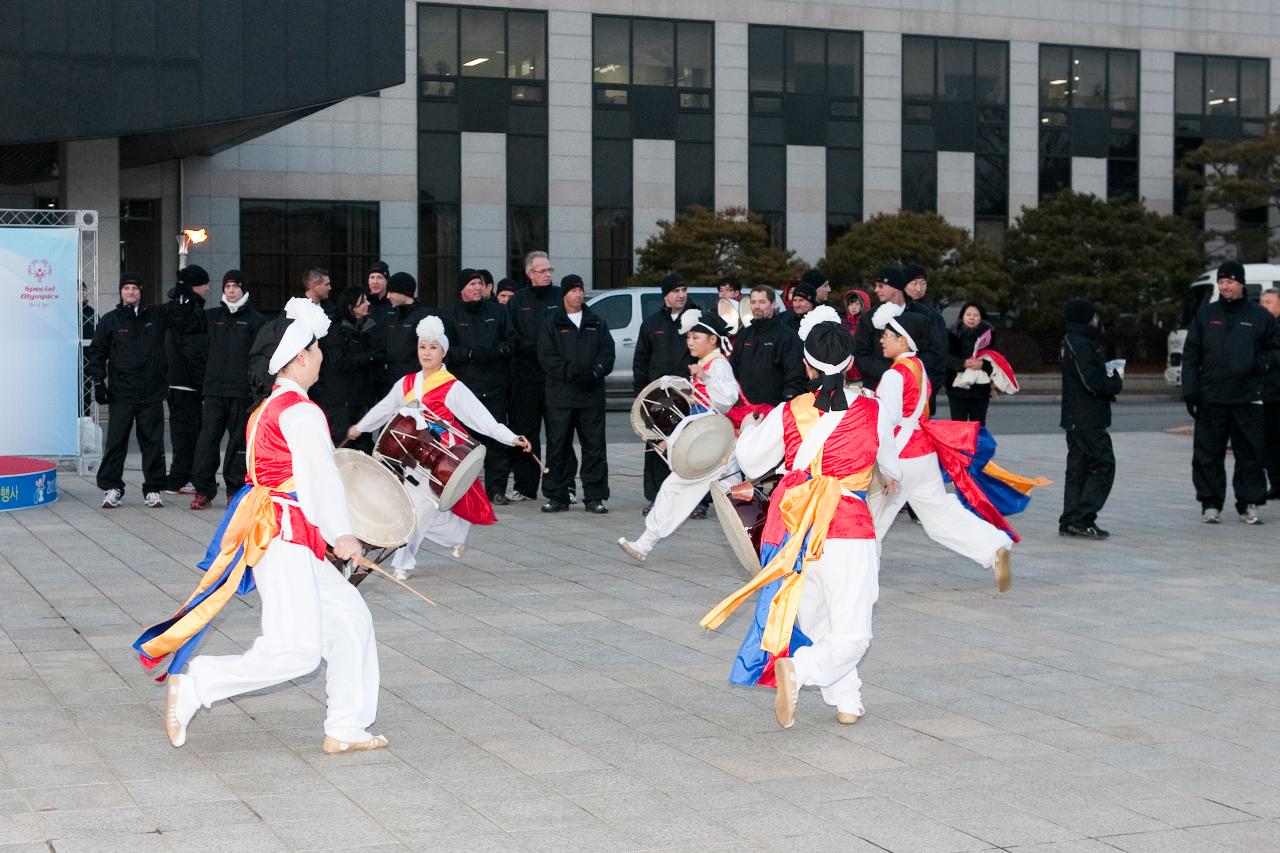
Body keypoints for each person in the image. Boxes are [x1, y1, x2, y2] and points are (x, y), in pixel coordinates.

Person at [135, 298, 386, 755]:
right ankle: (197, 685)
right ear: (300, 357)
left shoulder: (267, 409)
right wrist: (343, 535)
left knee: (350, 618)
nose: (322, 357)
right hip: (285, 536)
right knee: (296, 651)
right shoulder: (302, 412)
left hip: (281, 533)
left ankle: (347, 725)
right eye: (317, 349)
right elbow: (319, 481)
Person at [700, 311, 902, 728]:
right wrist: (889, 478)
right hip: (847, 529)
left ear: (806, 365)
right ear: (850, 365)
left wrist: (754, 426)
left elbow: (752, 461)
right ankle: (802, 671)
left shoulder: (789, 411)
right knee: (852, 630)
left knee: (819, 619)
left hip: (797, 530)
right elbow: (891, 464)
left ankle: (848, 700)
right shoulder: (874, 409)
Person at [347, 316, 532, 579]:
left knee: (418, 509)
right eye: (423, 347)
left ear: (443, 351)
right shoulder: (407, 383)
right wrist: (361, 427)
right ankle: (457, 532)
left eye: (433, 347)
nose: (427, 352)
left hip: (441, 460)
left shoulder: (452, 386)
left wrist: (511, 437)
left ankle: (402, 564)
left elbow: (482, 419)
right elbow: (385, 407)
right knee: (418, 508)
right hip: (410, 457)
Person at [867, 303, 1016, 592]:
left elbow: (886, 420)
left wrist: (885, 467)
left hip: (900, 457)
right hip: (924, 454)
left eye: (888, 334)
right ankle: (994, 546)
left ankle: (859, 579)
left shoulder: (894, 375)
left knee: (872, 521)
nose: (882, 339)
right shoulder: (918, 366)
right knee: (939, 516)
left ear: (903, 340)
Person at [618, 310, 739, 560]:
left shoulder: (717, 365)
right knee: (725, 501)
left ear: (713, 340)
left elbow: (728, 400)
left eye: (696, 337)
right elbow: (697, 412)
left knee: (678, 490)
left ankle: (645, 543)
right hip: (711, 446)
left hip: (719, 447)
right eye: (689, 338)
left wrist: (707, 379)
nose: (690, 342)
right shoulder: (704, 366)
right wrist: (670, 439)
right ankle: (644, 543)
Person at [1182, 260, 1280, 524]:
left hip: (1247, 397)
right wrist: (1190, 390)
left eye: (1230, 282)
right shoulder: (1206, 315)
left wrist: (1260, 364)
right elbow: (1191, 354)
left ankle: (1249, 503)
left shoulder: (1259, 316)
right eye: (1221, 282)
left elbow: (1275, 349)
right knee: (1207, 454)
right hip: (1211, 396)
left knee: (1250, 454)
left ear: (1241, 283)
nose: (1225, 287)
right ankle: (1210, 504)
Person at [89, 273, 197, 509]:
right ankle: (112, 487)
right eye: (126, 288)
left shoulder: (155, 315)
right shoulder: (110, 320)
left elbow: (181, 315)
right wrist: (99, 382)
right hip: (122, 393)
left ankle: (153, 489)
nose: (130, 292)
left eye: (135, 289)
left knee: (152, 442)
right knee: (116, 441)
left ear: (140, 292)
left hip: (151, 393)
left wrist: (184, 292)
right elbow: (97, 352)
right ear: (121, 292)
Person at [537, 274, 615, 513]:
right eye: (573, 290)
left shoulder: (596, 322)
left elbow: (607, 354)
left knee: (594, 447)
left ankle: (595, 496)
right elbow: (547, 358)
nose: (578, 294)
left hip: (590, 396)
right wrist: (573, 373)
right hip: (560, 397)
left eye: (580, 290)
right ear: (565, 295)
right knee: (558, 447)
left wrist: (592, 373)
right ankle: (557, 495)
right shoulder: (552, 322)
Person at [189, 271, 266, 510]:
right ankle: (203, 490)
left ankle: (234, 490)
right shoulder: (211, 316)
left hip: (241, 393)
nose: (231, 291)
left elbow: (260, 357)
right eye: (227, 287)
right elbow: (195, 344)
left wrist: (256, 388)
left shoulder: (255, 320)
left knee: (237, 444)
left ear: (243, 289)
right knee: (207, 441)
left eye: (235, 286)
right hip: (213, 391)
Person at [443, 269, 517, 504]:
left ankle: (497, 490)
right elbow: (447, 350)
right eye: (472, 284)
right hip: (465, 390)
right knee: (465, 444)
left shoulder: (498, 312)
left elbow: (512, 341)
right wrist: (470, 354)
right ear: (462, 289)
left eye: (480, 284)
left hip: (495, 386)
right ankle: (465, 492)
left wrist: (495, 352)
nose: (477, 287)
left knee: (496, 439)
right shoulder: (451, 315)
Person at [1058, 298, 1123, 539]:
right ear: (1087, 318)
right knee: (1104, 464)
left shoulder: (1069, 342)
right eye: (1094, 316)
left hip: (1075, 416)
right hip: (1087, 417)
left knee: (1078, 468)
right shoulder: (1081, 343)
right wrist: (1114, 384)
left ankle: (1070, 519)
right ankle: (1083, 517)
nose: (1097, 320)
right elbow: (1090, 381)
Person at [633, 273, 692, 512]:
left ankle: (693, 501)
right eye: (676, 291)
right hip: (657, 396)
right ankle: (656, 496)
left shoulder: (693, 321)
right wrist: (641, 396)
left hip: (687, 396)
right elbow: (641, 361)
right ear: (665, 295)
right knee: (657, 446)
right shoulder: (652, 324)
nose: (681, 295)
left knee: (688, 448)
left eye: (684, 290)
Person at [506, 251, 561, 501]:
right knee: (526, 433)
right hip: (526, 377)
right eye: (542, 271)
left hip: (554, 378)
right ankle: (525, 486)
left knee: (558, 433)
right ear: (530, 274)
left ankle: (561, 485)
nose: (547, 275)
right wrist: (537, 349)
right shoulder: (518, 301)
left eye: (550, 270)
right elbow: (513, 336)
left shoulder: (561, 297)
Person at [852, 267, 945, 393]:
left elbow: (935, 351)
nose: (876, 290)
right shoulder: (870, 318)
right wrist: (891, 372)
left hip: (915, 389)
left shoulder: (925, 315)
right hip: (878, 388)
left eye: (881, 286)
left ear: (895, 287)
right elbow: (860, 354)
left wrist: (909, 370)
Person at [164, 265, 210, 495]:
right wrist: (201, 381)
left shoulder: (179, 308)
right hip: (187, 382)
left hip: (178, 380)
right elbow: (194, 350)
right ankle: (181, 477)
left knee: (185, 431)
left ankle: (183, 475)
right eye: (204, 284)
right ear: (196, 286)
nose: (208, 288)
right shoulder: (190, 311)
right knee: (187, 432)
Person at [314, 286, 379, 447]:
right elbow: (339, 362)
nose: (367, 304)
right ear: (350, 307)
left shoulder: (368, 328)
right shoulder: (335, 331)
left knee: (364, 446)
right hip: (340, 404)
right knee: (343, 447)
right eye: (362, 301)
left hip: (361, 401)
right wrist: (369, 357)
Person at [730, 285, 807, 405]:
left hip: (774, 408)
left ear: (772, 304)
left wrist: (787, 400)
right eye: (753, 302)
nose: (756, 306)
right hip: (745, 407)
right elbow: (733, 368)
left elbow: (795, 373)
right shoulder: (744, 334)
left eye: (762, 302)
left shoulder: (786, 335)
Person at [901, 263, 949, 411]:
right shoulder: (891, 311)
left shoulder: (933, 315)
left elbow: (941, 351)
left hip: (925, 382)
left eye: (923, 284)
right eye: (914, 283)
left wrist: (933, 382)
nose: (918, 289)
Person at [946, 302, 997, 425]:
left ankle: (977, 445)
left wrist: (982, 365)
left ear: (981, 317)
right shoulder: (952, 333)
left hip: (981, 389)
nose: (971, 318)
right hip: (957, 387)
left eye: (976, 315)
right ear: (962, 316)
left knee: (979, 425)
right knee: (958, 426)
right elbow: (945, 358)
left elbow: (996, 359)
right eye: (968, 314)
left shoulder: (989, 335)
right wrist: (962, 363)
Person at [381, 271, 434, 388]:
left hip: (415, 386)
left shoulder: (424, 318)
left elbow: (431, 355)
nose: (388, 296)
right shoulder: (393, 317)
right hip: (392, 386)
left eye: (391, 292)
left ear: (403, 292)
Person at [1261, 288, 1280, 499]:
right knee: (1269, 442)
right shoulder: (1259, 328)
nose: (1264, 305)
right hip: (1266, 394)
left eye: (1269, 302)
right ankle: (1276, 483)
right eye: (1262, 301)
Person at [842, 289, 871, 385]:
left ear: (864, 304)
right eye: (850, 304)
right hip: (846, 372)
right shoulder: (843, 324)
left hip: (864, 373)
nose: (853, 307)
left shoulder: (869, 324)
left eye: (857, 304)